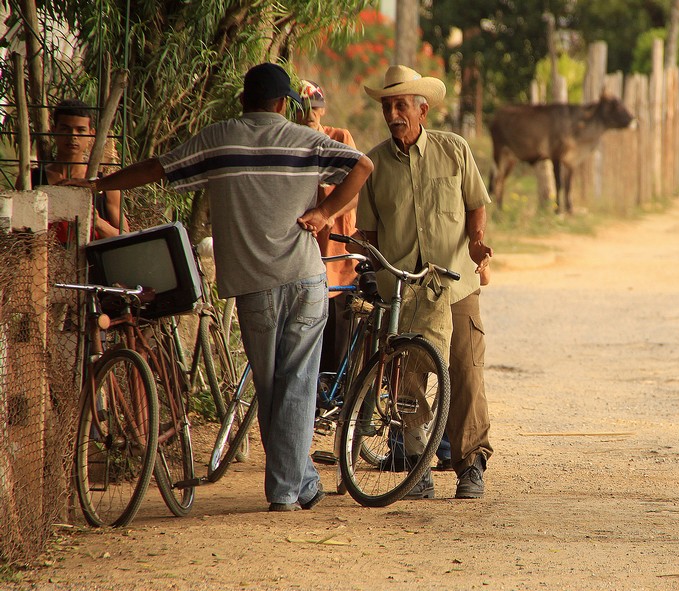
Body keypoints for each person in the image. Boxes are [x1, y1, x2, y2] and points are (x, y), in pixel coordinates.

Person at [68, 62, 373, 512]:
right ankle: (297, 484)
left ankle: (288, 489)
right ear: (281, 104)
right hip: (306, 279)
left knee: (272, 389)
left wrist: (100, 183)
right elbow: (362, 165)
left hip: (253, 286)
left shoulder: (221, 138)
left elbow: (158, 167)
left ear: (242, 101)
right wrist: (324, 215)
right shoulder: (306, 140)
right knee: (297, 385)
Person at [358, 65, 493, 500]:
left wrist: (476, 244)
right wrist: (374, 270)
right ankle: (418, 465)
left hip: (455, 284)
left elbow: (476, 204)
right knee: (406, 377)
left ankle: (471, 464)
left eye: (401, 105)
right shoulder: (373, 163)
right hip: (404, 290)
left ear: (423, 110)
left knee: (466, 373)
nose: (393, 113)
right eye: (387, 106)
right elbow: (370, 232)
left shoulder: (454, 150)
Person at [295, 80, 359, 384]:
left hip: (335, 250)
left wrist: (330, 213)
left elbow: (358, 188)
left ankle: (336, 394)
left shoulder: (339, 138)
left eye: (315, 108)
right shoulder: (290, 145)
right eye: (304, 108)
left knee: (338, 321)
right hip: (303, 249)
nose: (311, 114)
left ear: (324, 109)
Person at [28, 99, 128, 240]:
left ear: (91, 134)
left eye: (80, 130)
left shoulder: (106, 185)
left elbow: (125, 237)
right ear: (54, 130)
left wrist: (97, 223)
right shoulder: (32, 179)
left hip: (91, 261)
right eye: (65, 129)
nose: (73, 136)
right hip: (46, 259)